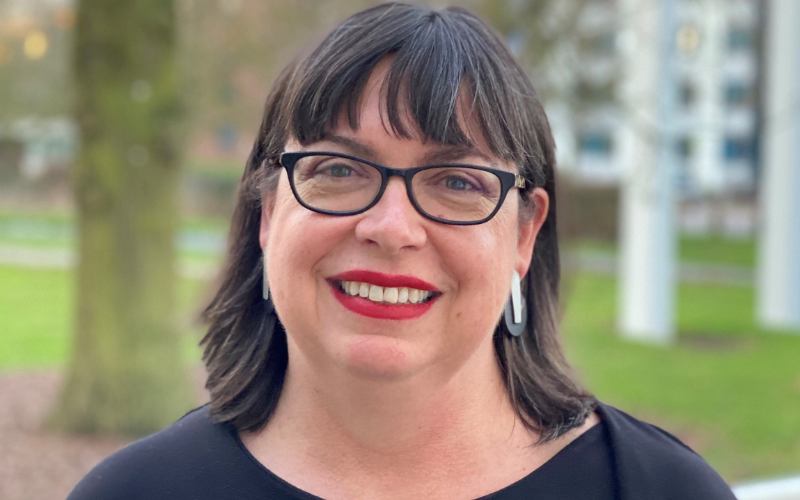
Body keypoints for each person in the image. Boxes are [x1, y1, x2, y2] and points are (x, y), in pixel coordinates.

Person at [68, 3, 736, 499]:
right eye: (338, 169)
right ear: (269, 212)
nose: (391, 228)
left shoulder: (661, 491)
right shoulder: (134, 494)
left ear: (524, 234)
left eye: (457, 182)